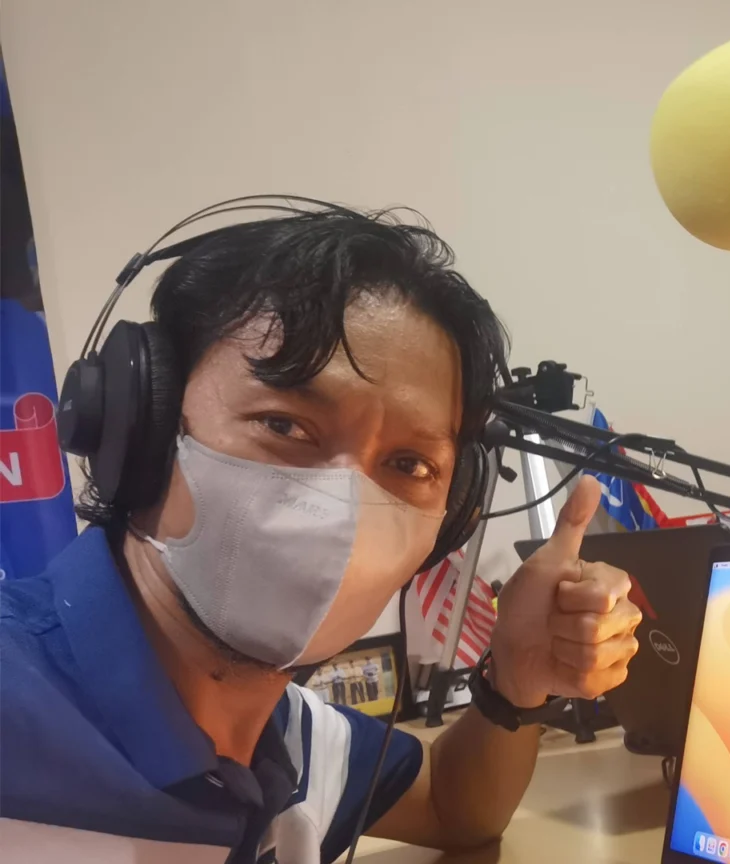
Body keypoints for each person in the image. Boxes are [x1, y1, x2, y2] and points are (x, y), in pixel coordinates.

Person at [0, 208, 644, 862]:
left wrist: (515, 679)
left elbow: (455, 806)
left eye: (409, 464)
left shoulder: (296, 736)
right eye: (285, 426)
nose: (342, 510)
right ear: (142, 424)